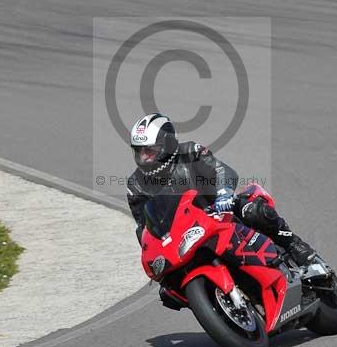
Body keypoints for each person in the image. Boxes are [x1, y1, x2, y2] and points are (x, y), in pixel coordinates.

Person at [126, 114, 316, 289]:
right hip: (183, 238)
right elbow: (144, 228)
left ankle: (296, 247)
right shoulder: (136, 185)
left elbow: (221, 171)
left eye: (150, 151)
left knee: (254, 211)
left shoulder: (191, 152)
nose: (144, 157)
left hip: (220, 212)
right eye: (139, 151)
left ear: (167, 145)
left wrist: (224, 193)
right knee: (168, 289)